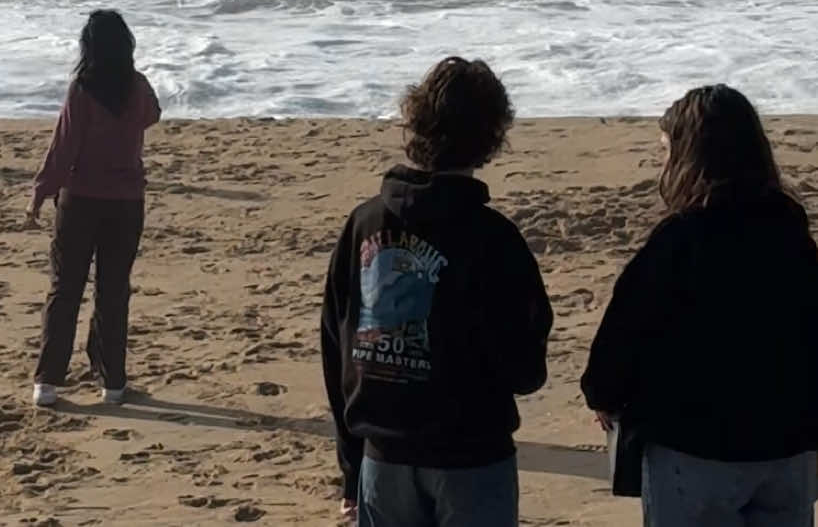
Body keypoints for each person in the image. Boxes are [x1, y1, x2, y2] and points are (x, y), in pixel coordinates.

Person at [321, 56, 551, 527]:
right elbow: (526, 369)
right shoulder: (494, 239)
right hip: (471, 455)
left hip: (383, 454)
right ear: (491, 137)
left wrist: (352, 465)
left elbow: (336, 345)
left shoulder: (365, 222)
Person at [582, 84, 818, 526]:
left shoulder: (679, 241)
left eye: (667, 152)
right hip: (788, 447)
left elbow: (624, 332)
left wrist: (604, 396)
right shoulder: (791, 236)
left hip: (693, 448)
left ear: (688, 159)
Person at [29, 9, 161, 407]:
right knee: (113, 291)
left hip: (80, 200)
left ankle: (48, 382)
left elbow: (63, 146)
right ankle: (112, 382)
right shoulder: (138, 87)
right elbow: (153, 115)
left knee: (65, 289)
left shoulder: (82, 89)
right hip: (126, 202)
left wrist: (40, 192)